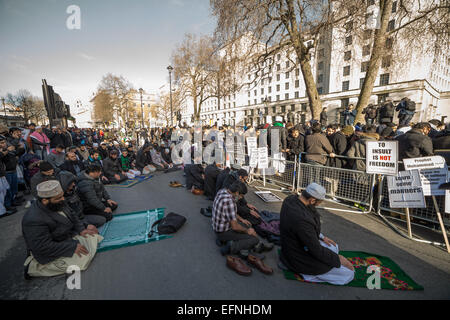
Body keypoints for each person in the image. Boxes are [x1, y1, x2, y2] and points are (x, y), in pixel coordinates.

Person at [22, 180, 103, 278]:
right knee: (83, 260)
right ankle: (33, 267)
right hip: (52, 249)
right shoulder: (33, 219)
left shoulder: (58, 202)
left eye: (62, 196)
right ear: (45, 200)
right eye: (59, 198)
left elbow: (73, 215)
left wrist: (82, 229)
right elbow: (42, 246)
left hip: (66, 237)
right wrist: (72, 247)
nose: (63, 199)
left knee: (94, 236)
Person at [279, 183, 355, 285]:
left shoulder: (290, 199)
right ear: (312, 200)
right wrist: (339, 259)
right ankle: (308, 275)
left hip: (293, 244)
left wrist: (321, 237)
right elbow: (315, 250)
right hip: (297, 257)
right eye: (319, 202)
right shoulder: (302, 219)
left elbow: (306, 231)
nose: (319, 205)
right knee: (348, 273)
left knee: (334, 247)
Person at [212, 181, 273, 275]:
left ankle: (247, 247)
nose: (241, 198)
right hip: (224, 232)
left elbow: (230, 212)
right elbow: (235, 227)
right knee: (253, 238)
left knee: (247, 224)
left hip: (219, 227)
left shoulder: (223, 191)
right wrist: (247, 231)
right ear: (236, 193)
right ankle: (230, 248)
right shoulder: (230, 202)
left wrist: (241, 219)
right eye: (241, 196)